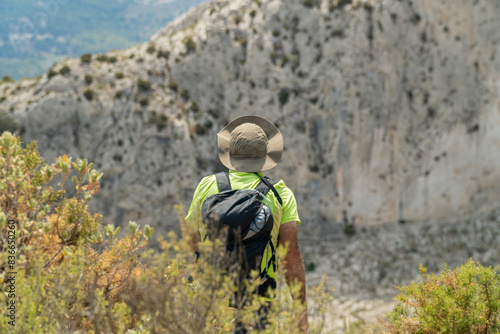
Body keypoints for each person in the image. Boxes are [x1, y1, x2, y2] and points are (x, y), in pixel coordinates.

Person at [185, 115, 307, 332]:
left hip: (211, 298)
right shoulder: (280, 195)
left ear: (231, 153)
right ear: (264, 156)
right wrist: (301, 312)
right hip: (259, 302)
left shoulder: (208, 186)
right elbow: (290, 257)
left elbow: (190, 238)